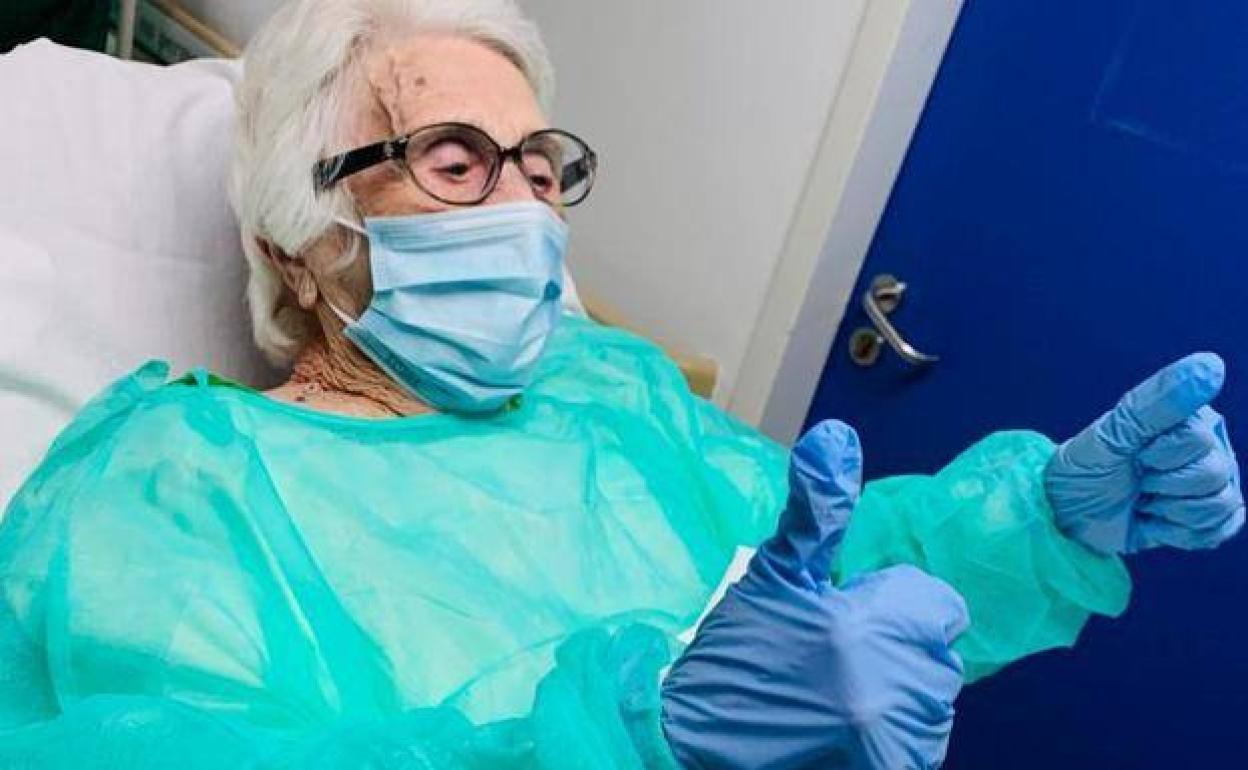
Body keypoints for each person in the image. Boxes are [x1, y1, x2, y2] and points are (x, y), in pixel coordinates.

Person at [0, 1, 1240, 768]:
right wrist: (638, 739)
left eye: (540, 169)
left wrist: (1035, 523)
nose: (526, 212)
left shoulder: (607, 391)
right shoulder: (173, 488)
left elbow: (820, 589)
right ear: (297, 237)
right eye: (456, 162)